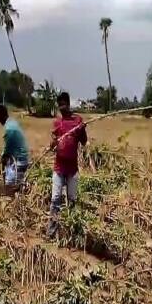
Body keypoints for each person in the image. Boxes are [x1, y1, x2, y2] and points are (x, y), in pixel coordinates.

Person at [47, 92, 87, 238]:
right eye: (60, 105)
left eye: (64, 104)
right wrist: (53, 143)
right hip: (59, 168)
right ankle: (51, 232)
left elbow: (83, 141)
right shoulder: (58, 123)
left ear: (68, 104)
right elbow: (51, 144)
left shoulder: (77, 121)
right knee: (55, 198)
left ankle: (73, 233)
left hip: (72, 169)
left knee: (72, 200)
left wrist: (82, 129)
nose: (62, 107)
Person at [0, 104, 30, 193]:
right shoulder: (12, 123)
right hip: (24, 158)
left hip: (19, 161)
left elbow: (7, 150)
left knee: (9, 189)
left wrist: (3, 160)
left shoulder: (9, 128)